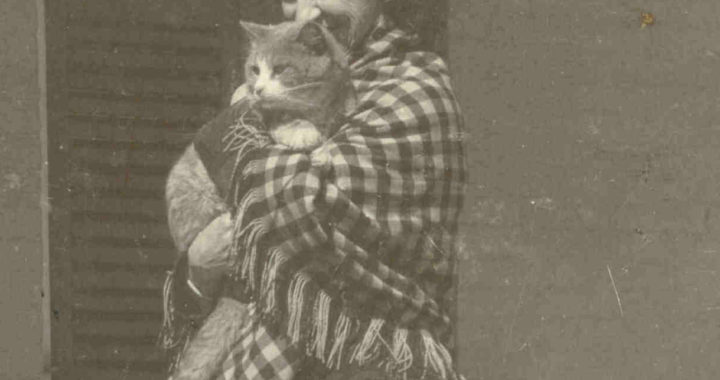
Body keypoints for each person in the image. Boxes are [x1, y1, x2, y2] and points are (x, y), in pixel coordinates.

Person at [167, 0, 466, 378]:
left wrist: (237, 123)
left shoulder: (414, 89)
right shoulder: (290, 87)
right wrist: (197, 273)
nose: (304, 8)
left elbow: (308, 209)